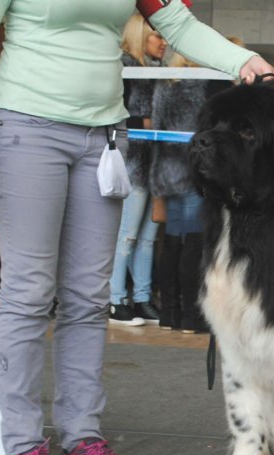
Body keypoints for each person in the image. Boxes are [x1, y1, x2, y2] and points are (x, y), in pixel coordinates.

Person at [0, 0, 274, 455]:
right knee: (28, 292)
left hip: (103, 135)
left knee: (87, 296)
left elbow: (177, 23)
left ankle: (81, 438)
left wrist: (243, 61)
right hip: (24, 127)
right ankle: (23, 448)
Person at [150, 53, 233, 334]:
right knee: (194, 242)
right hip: (195, 169)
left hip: (166, 169)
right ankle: (190, 315)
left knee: (172, 241)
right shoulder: (207, 85)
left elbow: (157, 127)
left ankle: (169, 313)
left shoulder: (165, 84)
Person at [108, 14, 167, 327]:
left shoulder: (157, 70)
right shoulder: (125, 66)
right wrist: (149, 124)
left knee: (146, 236)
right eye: (157, 35)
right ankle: (115, 299)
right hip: (132, 161)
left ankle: (141, 297)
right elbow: (123, 116)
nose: (164, 41)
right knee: (127, 235)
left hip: (153, 162)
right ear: (140, 34)